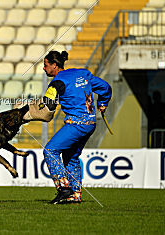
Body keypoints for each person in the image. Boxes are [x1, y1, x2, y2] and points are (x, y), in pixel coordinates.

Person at [40, 50, 112, 204]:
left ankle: (64, 189)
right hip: (91, 123)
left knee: (50, 150)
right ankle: (76, 194)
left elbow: (48, 103)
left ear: (54, 65)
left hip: (76, 124)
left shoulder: (57, 82)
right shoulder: (83, 74)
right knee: (70, 158)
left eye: (46, 65)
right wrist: (102, 103)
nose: (44, 68)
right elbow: (105, 87)